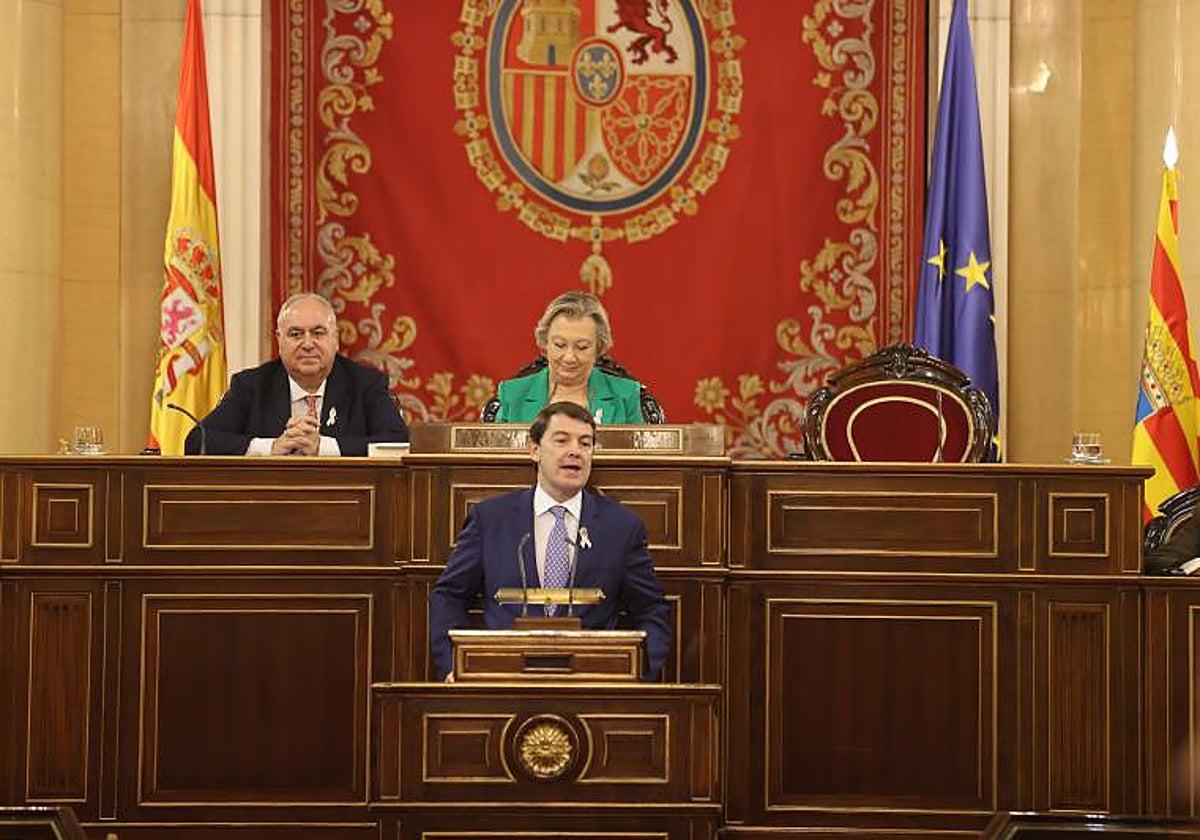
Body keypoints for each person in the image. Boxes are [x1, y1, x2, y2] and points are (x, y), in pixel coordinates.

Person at [428, 401, 671, 681]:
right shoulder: (490, 518)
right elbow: (449, 596)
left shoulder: (622, 527)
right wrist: (452, 667)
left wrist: (640, 676)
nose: (575, 451)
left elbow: (652, 609)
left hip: (592, 683)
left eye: (585, 443)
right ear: (534, 450)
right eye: (561, 440)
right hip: (502, 679)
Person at [184, 292, 408, 455]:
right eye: (296, 334)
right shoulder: (252, 385)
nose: (307, 343)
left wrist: (324, 448)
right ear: (280, 340)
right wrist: (271, 447)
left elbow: (399, 444)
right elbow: (197, 441)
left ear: (336, 339)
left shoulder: (365, 384)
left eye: (318, 333)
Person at [492, 290, 644, 424]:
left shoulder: (626, 395)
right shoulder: (512, 394)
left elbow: (636, 456)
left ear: (598, 348)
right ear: (545, 342)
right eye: (559, 345)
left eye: (582, 347)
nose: (569, 357)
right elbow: (500, 455)